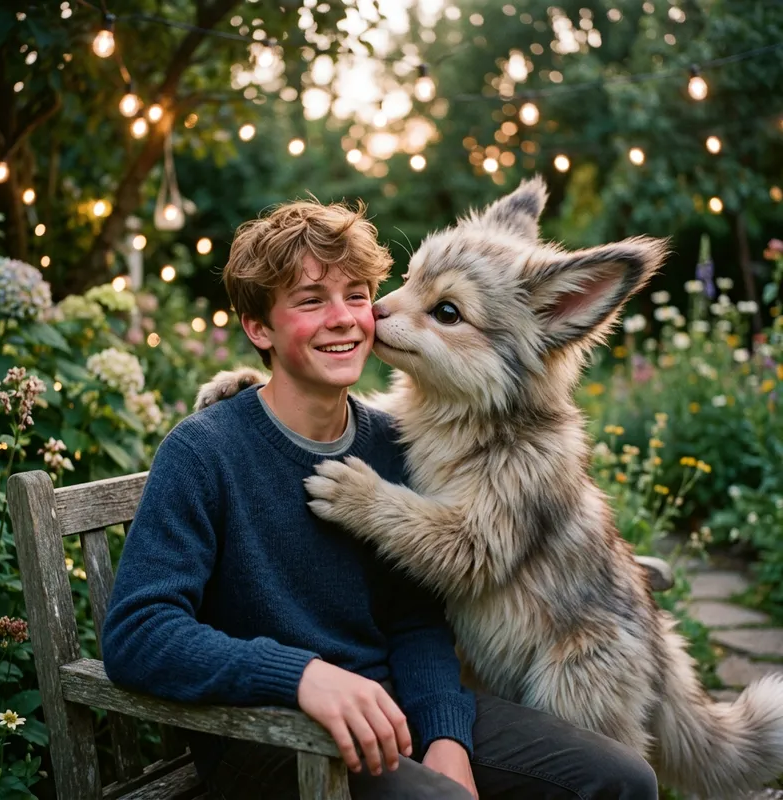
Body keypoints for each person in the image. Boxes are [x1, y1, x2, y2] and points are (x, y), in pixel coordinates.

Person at [102, 199, 659, 800]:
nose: (344, 318)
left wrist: (447, 736)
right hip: (271, 731)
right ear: (258, 327)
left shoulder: (390, 443)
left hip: (390, 710)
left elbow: (414, 618)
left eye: (358, 294)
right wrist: (302, 677)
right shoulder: (203, 450)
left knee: (622, 779)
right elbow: (138, 632)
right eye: (312, 300)